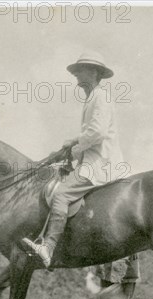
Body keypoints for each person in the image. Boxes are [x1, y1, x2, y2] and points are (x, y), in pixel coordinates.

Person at [22, 51, 123, 267]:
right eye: (76, 71)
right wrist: (71, 151)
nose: (77, 75)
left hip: (100, 163)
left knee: (61, 194)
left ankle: (48, 247)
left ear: (95, 73)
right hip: (92, 159)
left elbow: (97, 133)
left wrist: (73, 144)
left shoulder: (101, 97)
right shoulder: (92, 98)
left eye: (81, 70)